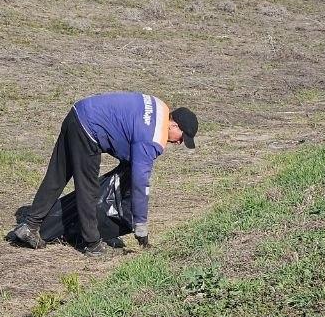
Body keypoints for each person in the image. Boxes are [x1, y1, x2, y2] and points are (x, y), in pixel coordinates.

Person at [10, 92, 198, 255]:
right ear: (174, 125)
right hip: (89, 130)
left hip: (77, 112)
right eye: (182, 137)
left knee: (56, 176)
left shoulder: (160, 107)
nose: (179, 142)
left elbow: (126, 129)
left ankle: (30, 225)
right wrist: (140, 225)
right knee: (88, 189)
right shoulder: (153, 138)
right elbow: (140, 183)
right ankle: (92, 244)